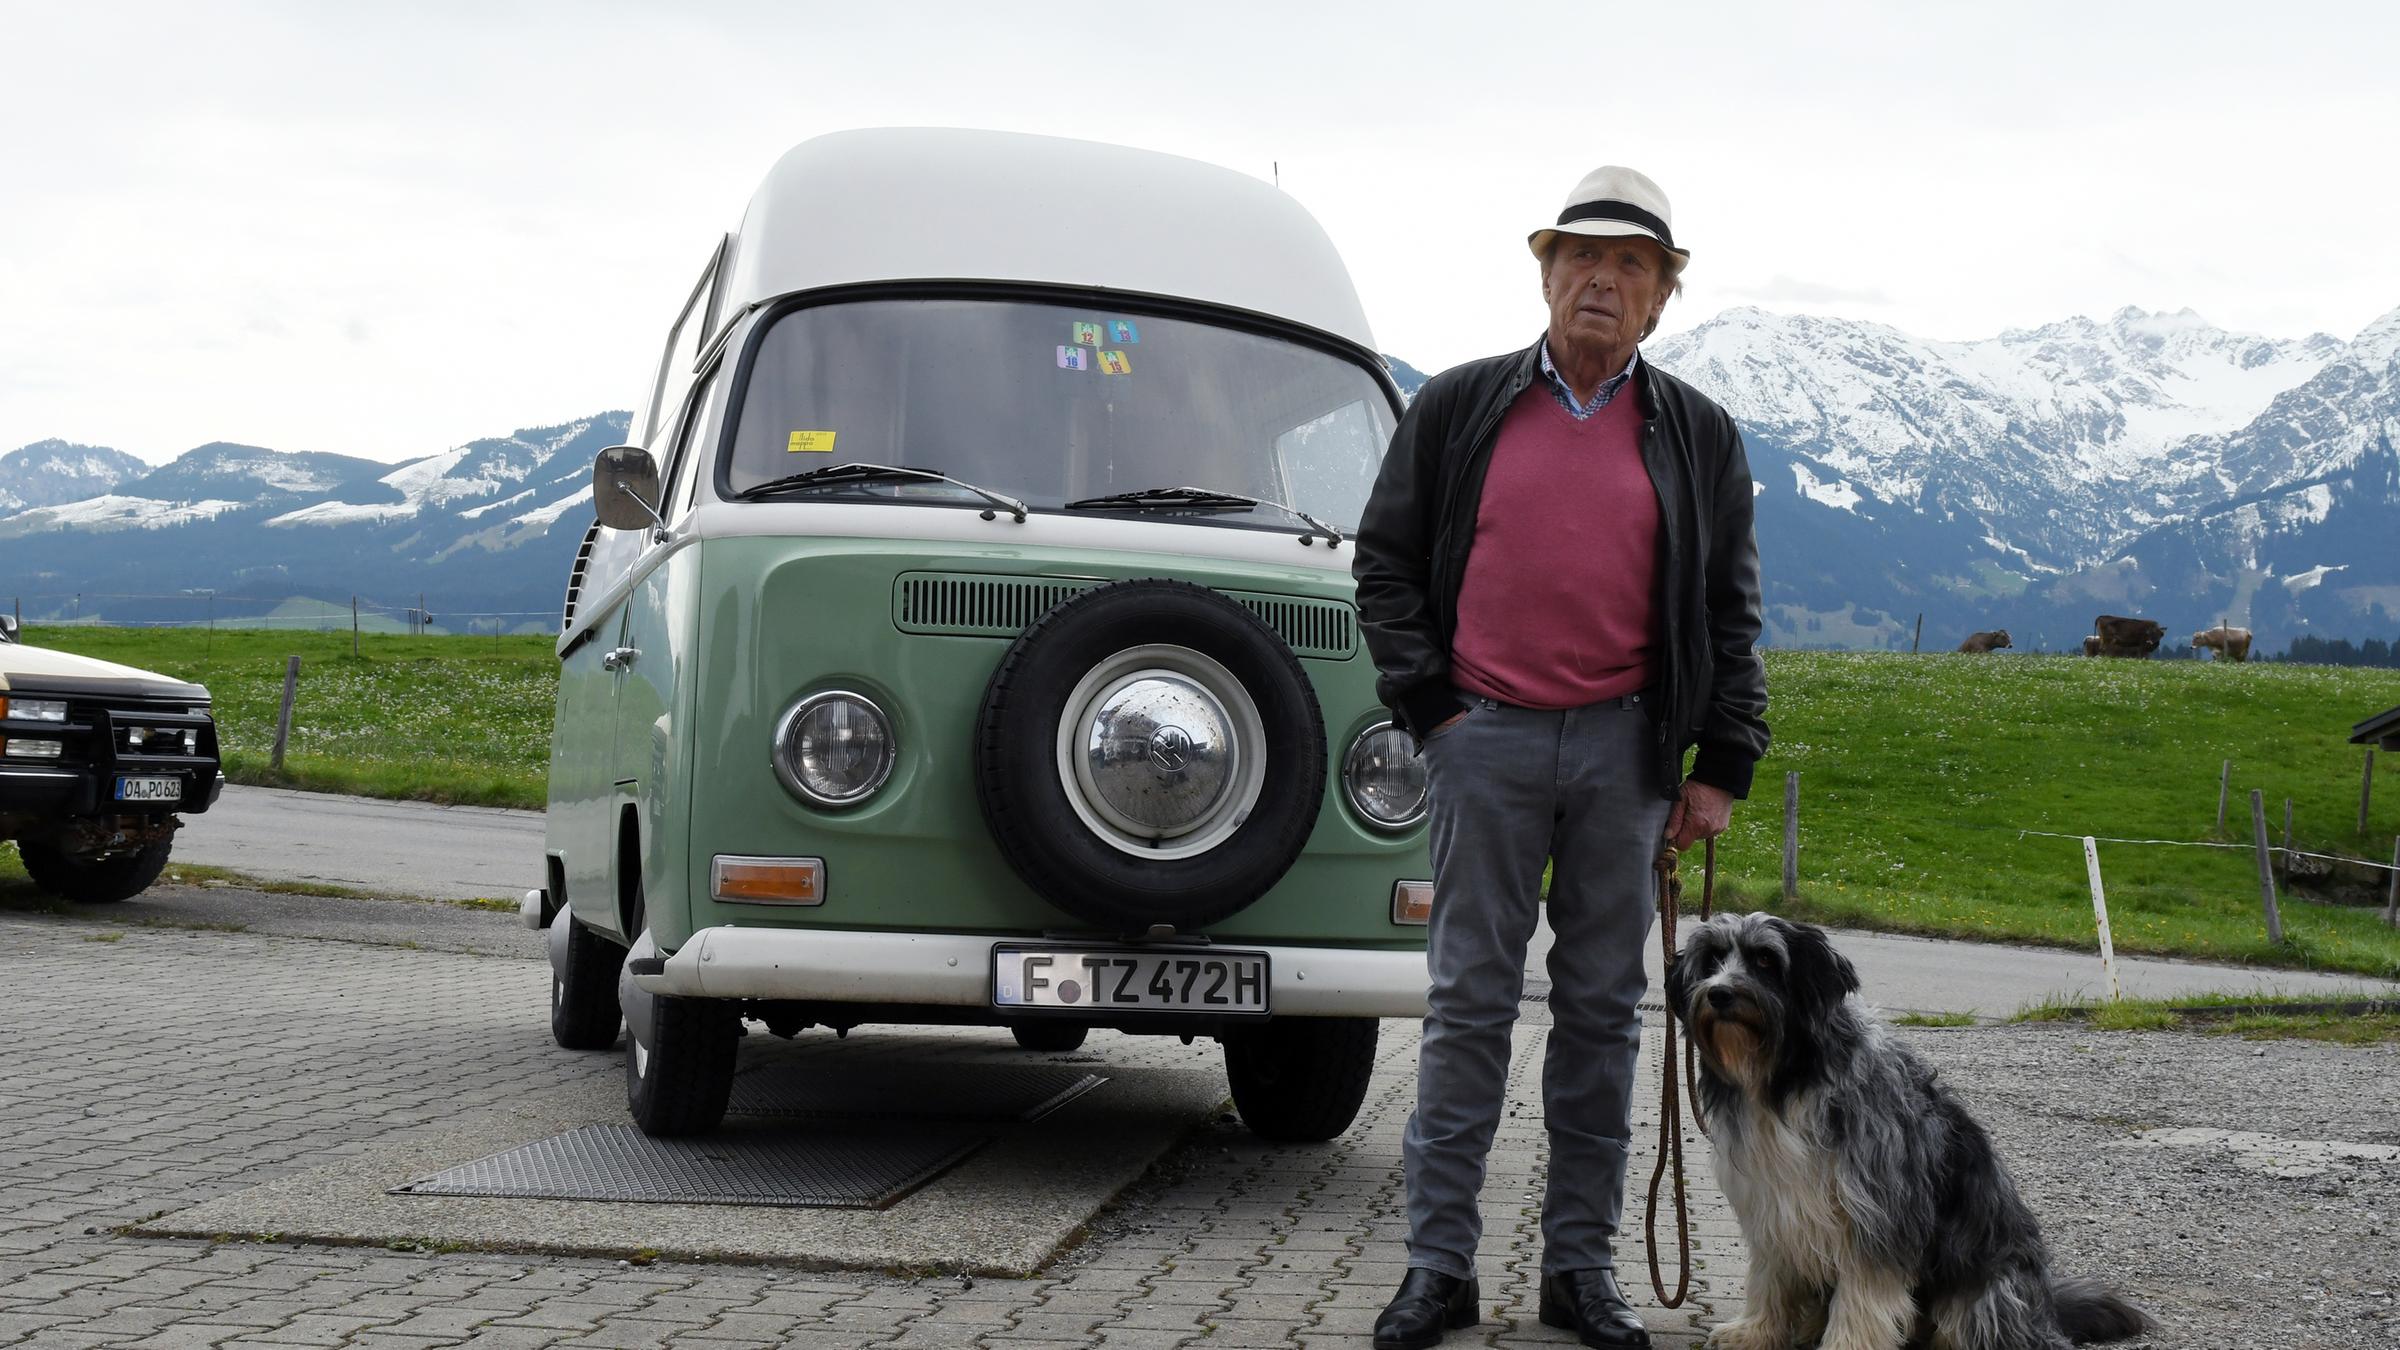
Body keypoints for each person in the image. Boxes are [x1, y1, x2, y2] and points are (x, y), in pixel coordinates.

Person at [1351, 164, 1769, 1350]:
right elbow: (1383, 566)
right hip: (1482, 739)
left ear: (1660, 298)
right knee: (1467, 1008)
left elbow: (1731, 614)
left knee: (1604, 1014)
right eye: (1580, 256)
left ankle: (1578, 1273)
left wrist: (1720, 764)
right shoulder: (1461, 405)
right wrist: (1434, 708)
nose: (1601, 278)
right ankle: (1440, 1271)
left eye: (1630, 264)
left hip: (1627, 752)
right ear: (1544, 275)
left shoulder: (1694, 432)